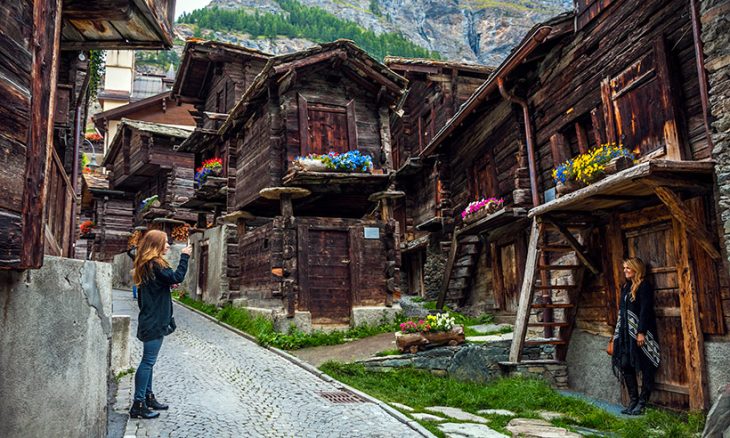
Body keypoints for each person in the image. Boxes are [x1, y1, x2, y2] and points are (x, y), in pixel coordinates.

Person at [129, 230, 192, 419]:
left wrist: (167, 285)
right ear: (156, 245)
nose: (168, 246)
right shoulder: (155, 263)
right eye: (165, 243)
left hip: (151, 318)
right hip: (154, 320)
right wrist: (184, 257)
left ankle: (148, 397)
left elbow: (162, 283)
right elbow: (176, 277)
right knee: (147, 362)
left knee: (150, 362)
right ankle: (138, 404)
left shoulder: (148, 265)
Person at [610, 257, 660, 416]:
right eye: (624, 268)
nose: (625, 271)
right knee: (625, 364)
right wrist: (616, 334)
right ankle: (633, 400)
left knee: (646, 368)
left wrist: (641, 332)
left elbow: (645, 310)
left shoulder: (644, 286)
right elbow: (622, 312)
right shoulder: (626, 286)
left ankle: (642, 403)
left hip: (640, 334)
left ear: (636, 269)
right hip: (626, 335)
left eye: (628, 268)